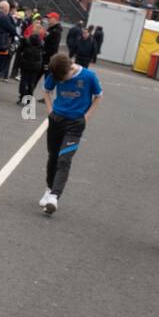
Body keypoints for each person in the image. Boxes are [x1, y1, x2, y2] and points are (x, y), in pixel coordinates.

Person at [39, 52, 103, 214]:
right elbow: (46, 90)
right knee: (53, 156)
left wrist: (86, 117)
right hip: (56, 120)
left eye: (63, 78)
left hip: (75, 124)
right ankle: (49, 188)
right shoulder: (56, 72)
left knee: (64, 159)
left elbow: (98, 96)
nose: (61, 81)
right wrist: (50, 111)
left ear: (70, 68)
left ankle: (54, 196)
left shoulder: (89, 77)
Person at [16, 23, 47, 104]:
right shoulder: (42, 42)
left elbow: (20, 50)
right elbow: (44, 52)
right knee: (32, 81)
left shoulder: (27, 40)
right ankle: (29, 98)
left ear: (32, 30)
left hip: (25, 62)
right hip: (36, 64)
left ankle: (22, 96)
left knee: (24, 79)